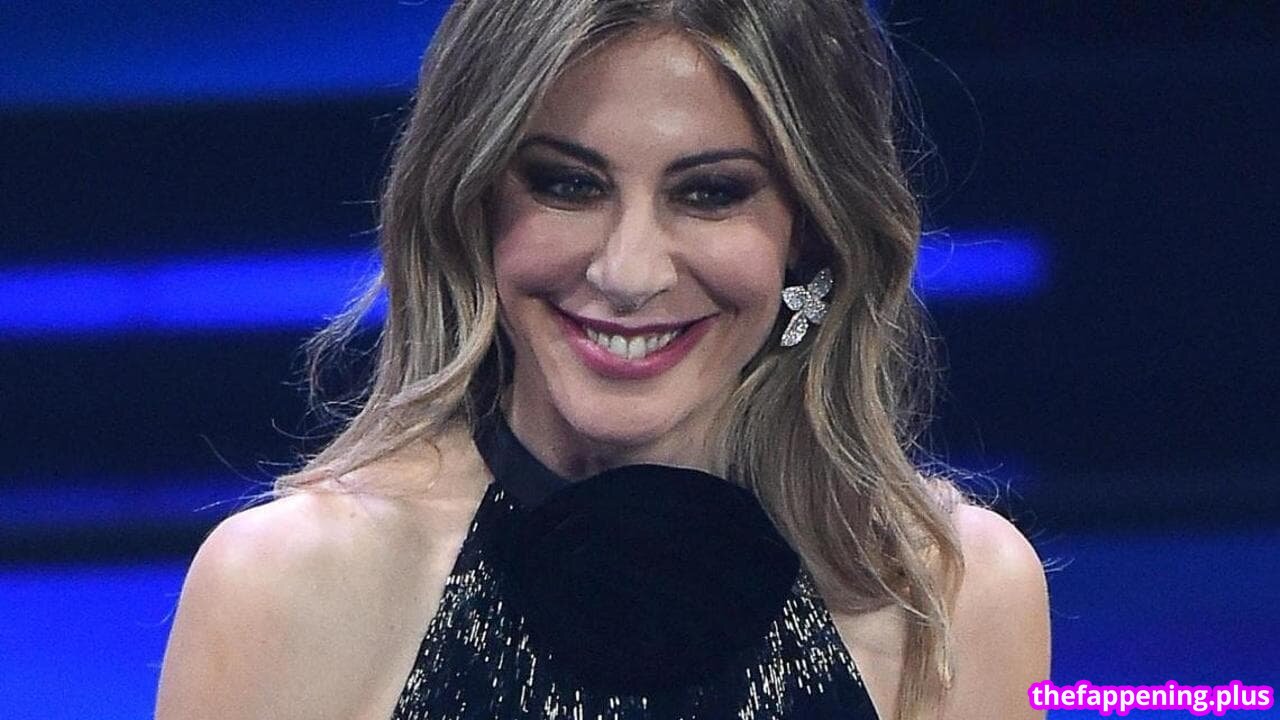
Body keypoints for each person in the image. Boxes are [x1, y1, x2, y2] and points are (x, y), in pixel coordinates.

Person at [155, 1, 1050, 718]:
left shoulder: (949, 597)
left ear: (811, 234)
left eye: (711, 193)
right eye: (567, 184)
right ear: (472, 204)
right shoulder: (289, 588)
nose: (628, 273)